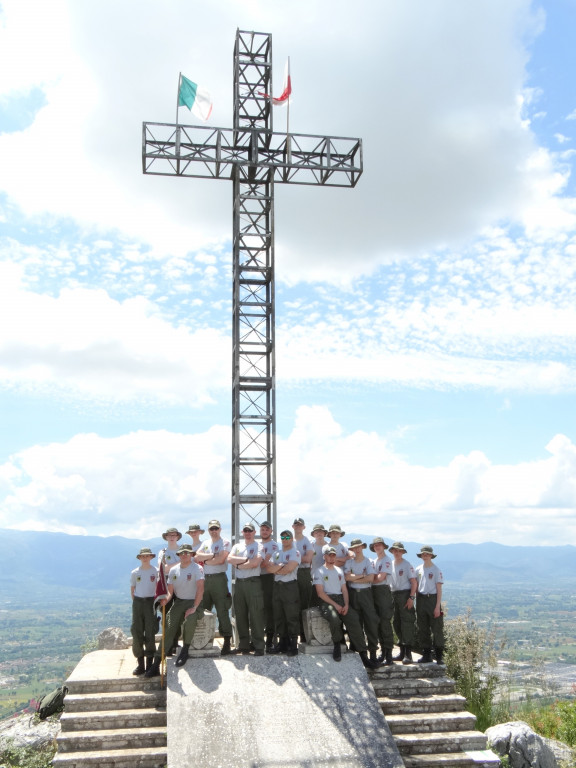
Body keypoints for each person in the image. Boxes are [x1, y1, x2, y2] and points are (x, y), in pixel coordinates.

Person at [313, 547, 377, 668]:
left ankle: (363, 654)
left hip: (341, 599)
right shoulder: (319, 571)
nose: (331, 558)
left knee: (353, 618)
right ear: (324, 557)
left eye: (333, 555)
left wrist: (346, 605)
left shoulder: (339, 571)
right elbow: (320, 593)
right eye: (329, 555)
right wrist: (336, 605)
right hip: (327, 600)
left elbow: (344, 589)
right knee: (334, 618)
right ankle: (337, 643)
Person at [146, 543, 205, 675]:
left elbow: (200, 589)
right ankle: (157, 662)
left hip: (194, 601)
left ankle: (185, 649)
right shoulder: (173, 570)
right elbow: (170, 592)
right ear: (178, 555)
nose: (184, 555)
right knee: (169, 626)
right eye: (182, 553)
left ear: (191, 555)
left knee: (190, 619)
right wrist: (164, 600)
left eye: (187, 553)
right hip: (179, 602)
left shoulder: (197, 568)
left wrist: (195, 607)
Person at [195, 519, 233, 656]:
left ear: (220, 529)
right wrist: (212, 556)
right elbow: (196, 557)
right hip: (205, 579)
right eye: (211, 529)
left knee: (222, 610)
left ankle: (227, 641)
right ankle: (205, 641)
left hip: (219, 579)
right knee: (204, 610)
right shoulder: (205, 543)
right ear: (209, 530)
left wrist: (206, 560)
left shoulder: (225, 543)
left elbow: (220, 560)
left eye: (216, 528)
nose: (214, 531)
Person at [228, 523, 265, 655]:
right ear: (242, 532)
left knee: (256, 614)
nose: (248, 533)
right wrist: (246, 560)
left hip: (253, 582)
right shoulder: (237, 546)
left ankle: (259, 645)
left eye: (250, 530)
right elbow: (229, 559)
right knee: (240, 614)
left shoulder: (259, 546)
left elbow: (255, 563)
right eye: (245, 530)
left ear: (254, 532)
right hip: (240, 583)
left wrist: (238, 565)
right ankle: (243, 645)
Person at [344, 538, 381, 666]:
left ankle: (373, 653)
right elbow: (347, 577)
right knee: (356, 623)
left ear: (362, 547)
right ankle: (361, 652)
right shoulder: (349, 562)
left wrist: (355, 578)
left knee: (370, 622)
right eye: (354, 547)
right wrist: (361, 576)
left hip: (366, 594)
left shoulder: (368, 561)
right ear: (352, 549)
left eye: (359, 547)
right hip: (353, 594)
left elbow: (371, 578)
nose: (357, 549)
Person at [266, 529, 301, 656]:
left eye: (287, 537)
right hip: (277, 586)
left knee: (291, 615)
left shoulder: (295, 552)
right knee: (279, 615)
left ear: (291, 539)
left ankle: (293, 644)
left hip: (290, 586)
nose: (285, 540)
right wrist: (280, 566)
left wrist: (278, 568)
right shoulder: (276, 553)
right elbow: (269, 568)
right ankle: (282, 643)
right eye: (283, 537)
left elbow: (289, 569)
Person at [130, 547, 158, 676]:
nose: (145, 558)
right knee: (137, 631)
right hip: (138, 602)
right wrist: (137, 602)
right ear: (139, 558)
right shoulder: (135, 572)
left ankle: (150, 664)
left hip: (151, 602)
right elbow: (133, 589)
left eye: (147, 556)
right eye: (143, 556)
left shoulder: (156, 571)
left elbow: (159, 588)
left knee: (150, 632)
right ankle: (140, 664)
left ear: (151, 557)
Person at [414, 545, 445, 664]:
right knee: (422, 628)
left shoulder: (436, 570)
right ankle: (426, 654)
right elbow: (416, 586)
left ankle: (439, 656)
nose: (425, 555)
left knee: (437, 628)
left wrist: (437, 606)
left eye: (427, 553)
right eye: (423, 554)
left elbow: (439, 589)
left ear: (431, 555)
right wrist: (417, 601)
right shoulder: (418, 570)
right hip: (421, 599)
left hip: (432, 599)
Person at [389, 541, 417, 665]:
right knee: (397, 623)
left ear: (402, 552)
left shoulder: (407, 565)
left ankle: (408, 653)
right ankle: (401, 651)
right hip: (394, 594)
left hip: (405, 594)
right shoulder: (390, 564)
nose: (396, 552)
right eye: (395, 550)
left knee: (407, 623)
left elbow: (414, 582)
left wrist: (411, 597)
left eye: (399, 551)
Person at [370, 537, 395, 666]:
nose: (377, 547)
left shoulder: (386, 560)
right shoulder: (374, 561)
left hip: (383, 591)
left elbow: (380, 578)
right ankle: (383, 652)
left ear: (384, 546)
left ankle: (389, 654)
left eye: (379, 545)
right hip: (374, 592)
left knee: (385, 623)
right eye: (375, 546)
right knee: (377, 623)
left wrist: (366, 579)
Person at [259, 520, 279, 650]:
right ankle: (257, 638)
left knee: (269, 609)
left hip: (269, 578)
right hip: (256, 577)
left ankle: (270, 639)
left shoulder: (275, 546)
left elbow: (269, 564)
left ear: (271, 531)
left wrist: (262, 562)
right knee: (257, 609)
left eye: (267, 529)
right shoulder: (256, 544)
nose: (265, 531)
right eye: (262, 529)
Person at [292, 518, 313, 639]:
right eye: (296, 525)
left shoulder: (307, 541)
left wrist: (293, 560)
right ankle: (295, 633)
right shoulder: (289, 540)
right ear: (293, 526)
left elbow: (308, 559)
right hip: (291, 573)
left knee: (305, 603)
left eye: (300, 525)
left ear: (304, 527)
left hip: (304, 573)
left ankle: (305, 634)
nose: (298, 527)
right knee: (293, 603)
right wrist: (299, 558)